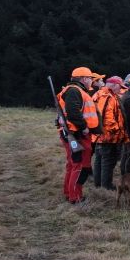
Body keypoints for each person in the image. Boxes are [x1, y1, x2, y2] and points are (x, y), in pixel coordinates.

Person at [57, 67, 101, 204]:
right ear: (83, 79)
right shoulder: (74, 91)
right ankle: (75, 197)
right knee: (79, 166)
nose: (91, 82)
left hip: (73, 134)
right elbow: (72, 112)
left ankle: (69, 193)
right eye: (90, 79)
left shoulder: (73, 90)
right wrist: (84, 127)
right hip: (77, 134)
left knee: (73, 165)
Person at [92, 76, 128, 190]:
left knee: (99, 159)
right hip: (108, 136)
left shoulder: (99, 94)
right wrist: (117, 130)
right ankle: (106, 186)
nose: (120, 89)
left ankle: (98, 184)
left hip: (99, 135)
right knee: (107, 161)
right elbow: (107, 118)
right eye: (119, 86)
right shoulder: (107, 96)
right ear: (114, 85)